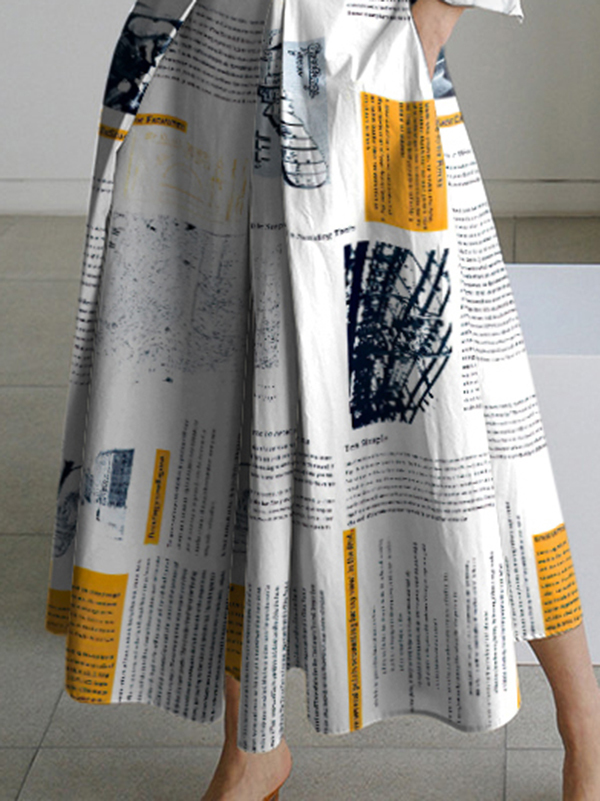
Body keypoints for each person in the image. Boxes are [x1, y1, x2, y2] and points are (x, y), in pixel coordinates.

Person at [44, 1, 600, 800]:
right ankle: (251, 750)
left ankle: (586, 726)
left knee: (473, 431)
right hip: (201, 59)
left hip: (359, 58)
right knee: (222, 412)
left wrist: (428, 25)